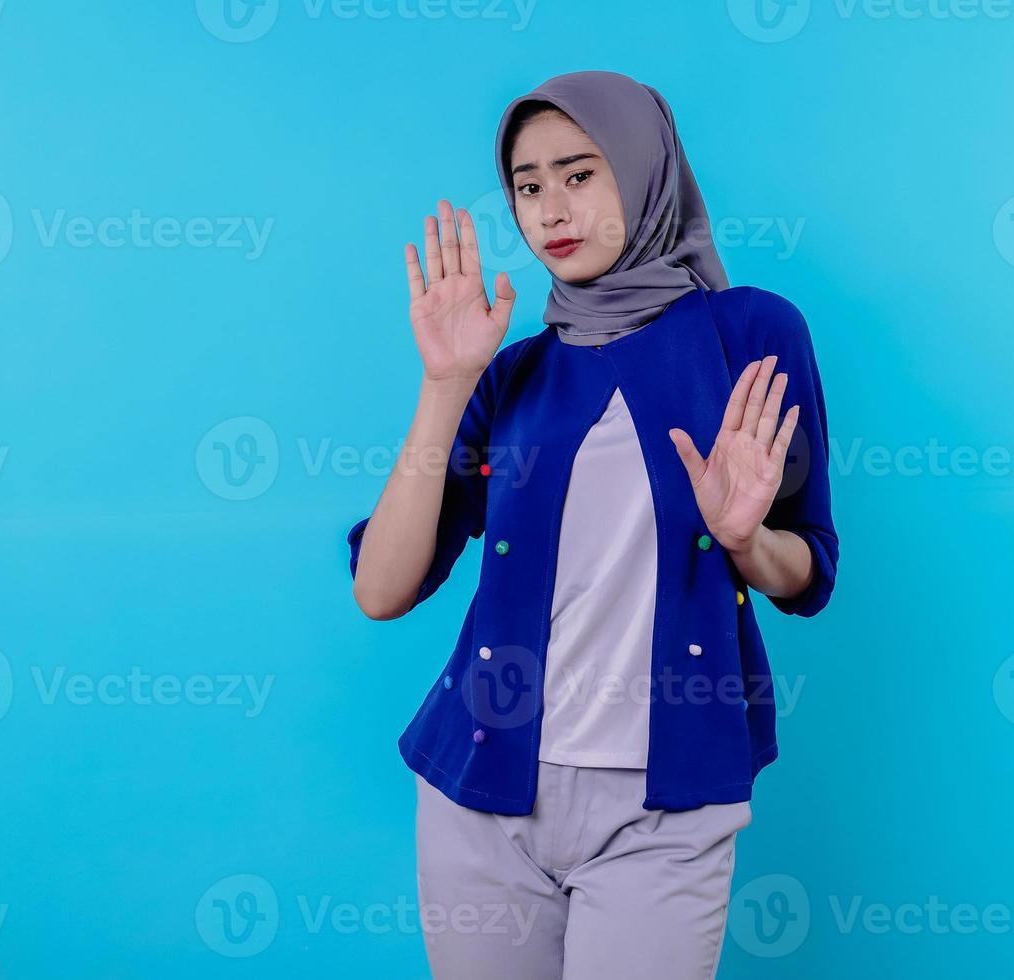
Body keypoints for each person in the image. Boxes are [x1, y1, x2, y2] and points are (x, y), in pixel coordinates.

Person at [347, 69, 839, 979]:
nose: (550, 209)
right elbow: (381, 589)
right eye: (527, 187)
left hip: (665, 806)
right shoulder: (512, 373)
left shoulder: (753, 332)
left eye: (579, 172)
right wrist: (446, 383)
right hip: (482, 794)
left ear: (645, 169)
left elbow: (807, 568)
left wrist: (744, 539)